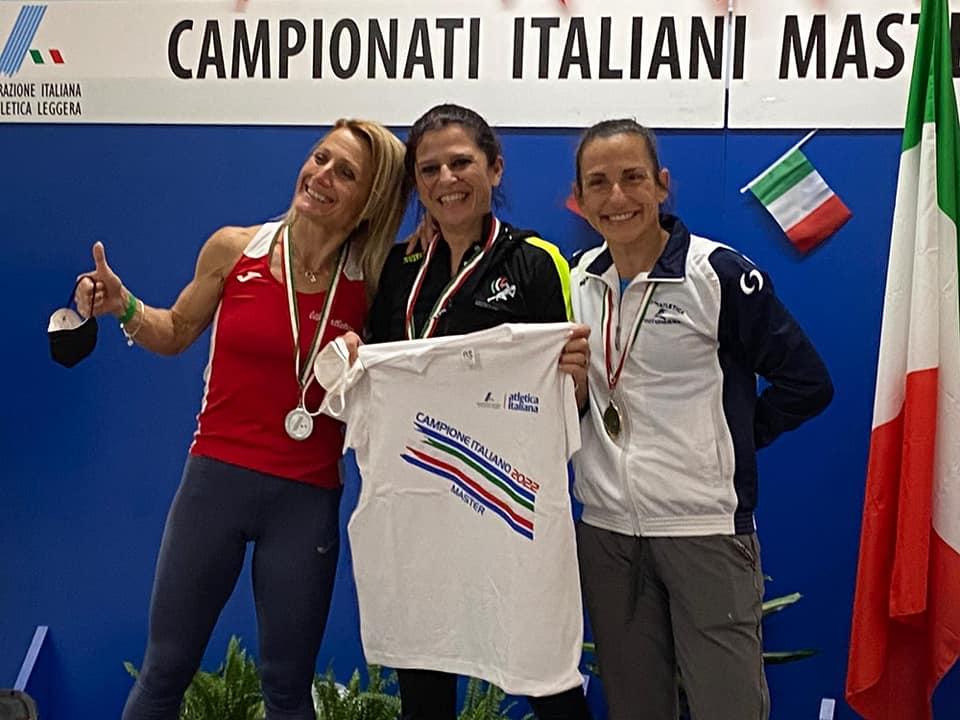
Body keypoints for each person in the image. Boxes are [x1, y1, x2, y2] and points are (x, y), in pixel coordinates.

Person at [75, 119, 408, 720]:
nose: (321, 176)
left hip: (306, 499)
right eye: (320, 158)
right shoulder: (235, 248)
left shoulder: (376, 282)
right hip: (215, 483)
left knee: (286, 689)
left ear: (370, 201)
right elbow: (176, 330)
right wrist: (123, 305)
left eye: (346, 173)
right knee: (164, 671)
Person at [568, 119, 834, 720]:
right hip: (608, 532)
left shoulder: (717, 275)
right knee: (635, 708)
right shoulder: (578, 279)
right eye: (599, 183)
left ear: (661, 185)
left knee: (727, 708)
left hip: (704, 530)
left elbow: (808, 382)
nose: (617, 196)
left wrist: (735, 440)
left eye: (633, 177)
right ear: (579, 199)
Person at [343, 103, 591, 720]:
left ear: (494, 168)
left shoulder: (536, 261)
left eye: (461, 163)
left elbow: (569, 398)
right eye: (429, 170)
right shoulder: (397, 268)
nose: (446, 180)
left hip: (504, 502)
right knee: (423, 676)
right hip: (418, 504)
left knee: (543, 672)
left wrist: (574, 377)